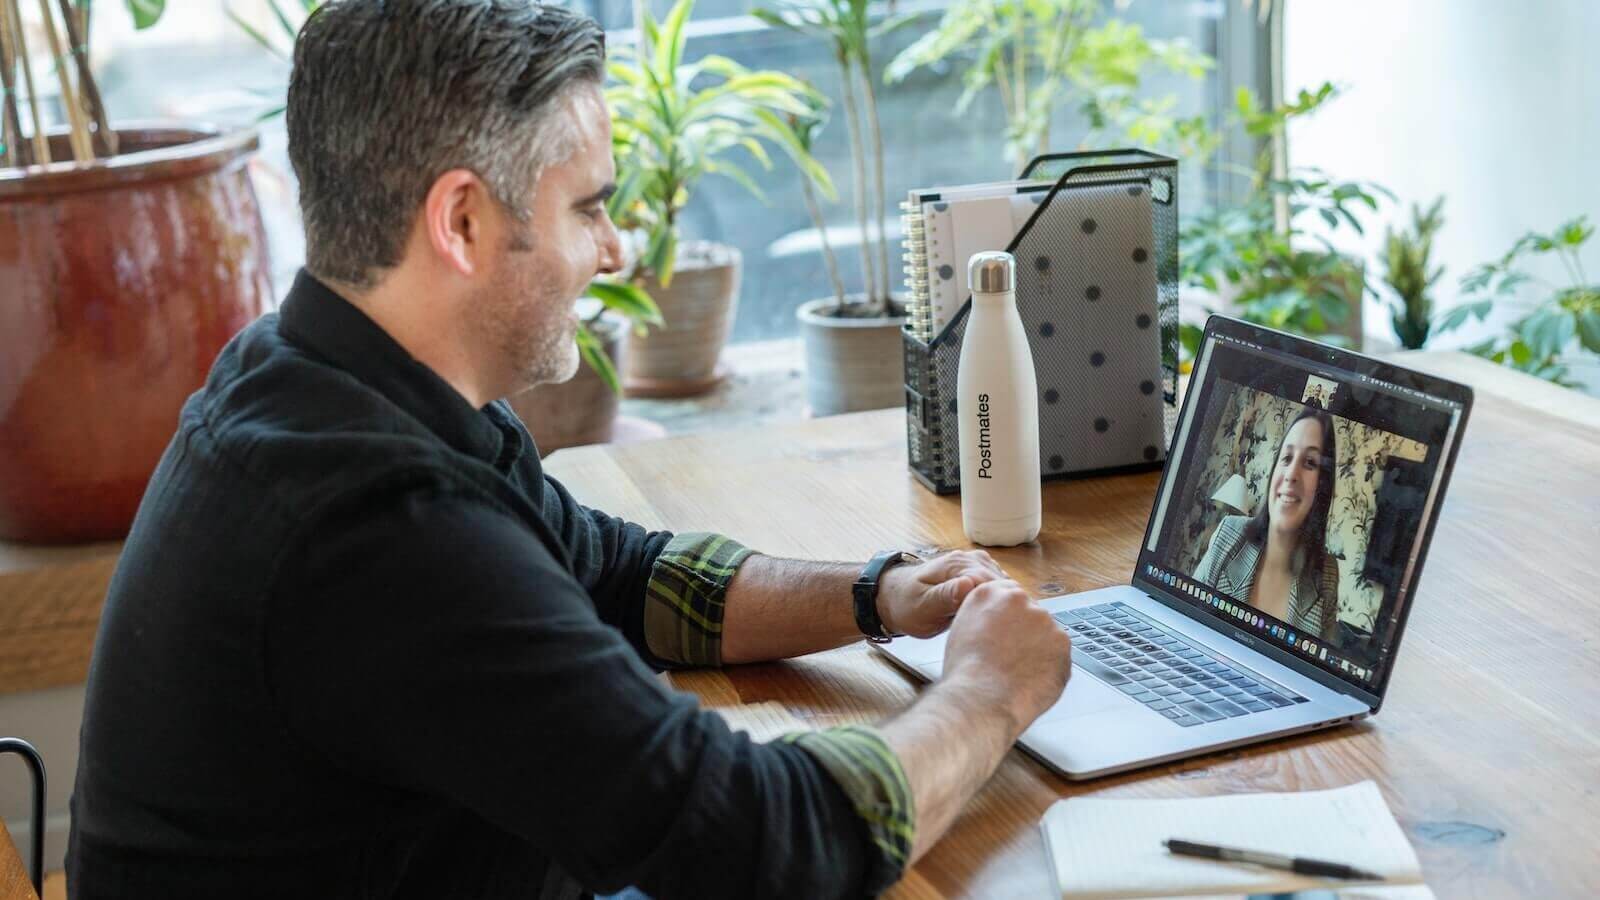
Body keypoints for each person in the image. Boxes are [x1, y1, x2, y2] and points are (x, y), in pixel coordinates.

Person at [64, 3, 1073, 898]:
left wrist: (877, 592)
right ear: (461, 220)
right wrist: (992, 689)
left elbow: (616, 573)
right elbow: (766, 848)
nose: (615, 247)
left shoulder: (321, 371)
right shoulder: (379, 528)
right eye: (588, 205)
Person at [1195, 407, 1340, 638]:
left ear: (1322, 486)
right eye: (1287, 458)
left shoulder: (1327, 574)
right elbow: (1185, 616)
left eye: (1310, 462)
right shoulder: (1229, 533)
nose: (1292, 474)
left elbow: (1319, 666)